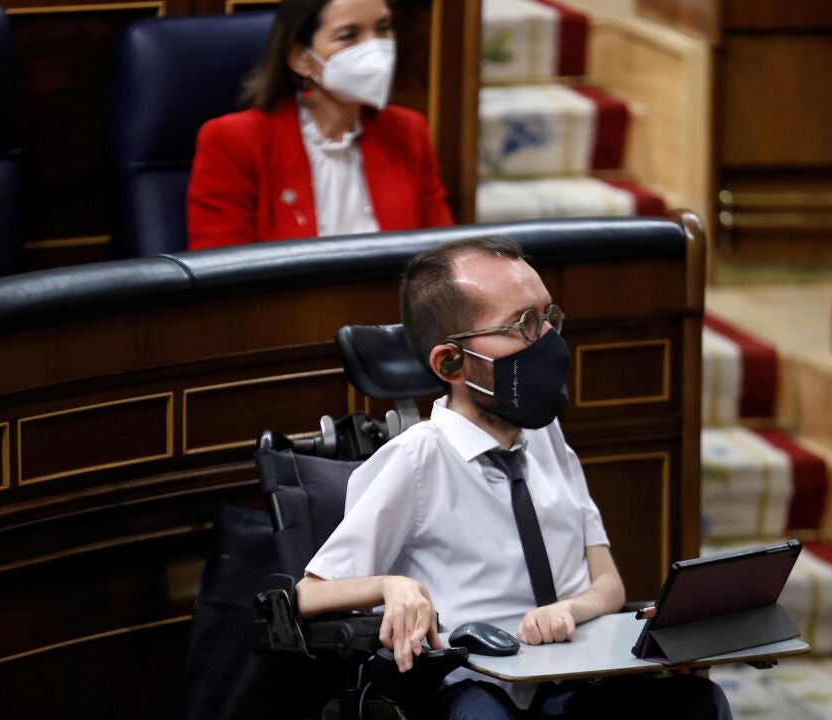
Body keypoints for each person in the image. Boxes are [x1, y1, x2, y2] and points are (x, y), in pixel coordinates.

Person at [296, 237, 733, 718]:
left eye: (548, 317)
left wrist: (568, 611)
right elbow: (308, 594)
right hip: (480, 684)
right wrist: (390, 586)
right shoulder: (417, 459)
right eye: (525, 324)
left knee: (699, 703)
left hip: (572, 674)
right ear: (451, 361)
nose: (548, 339)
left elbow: (608, 585)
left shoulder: (546, 435)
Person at [186, 0, 453, 250]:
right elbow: (221, 270)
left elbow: (442, 256)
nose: (375, 49)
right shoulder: (234, 141)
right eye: (348, 35)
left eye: (382, 28)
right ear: (300, 58)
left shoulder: (408, 131)